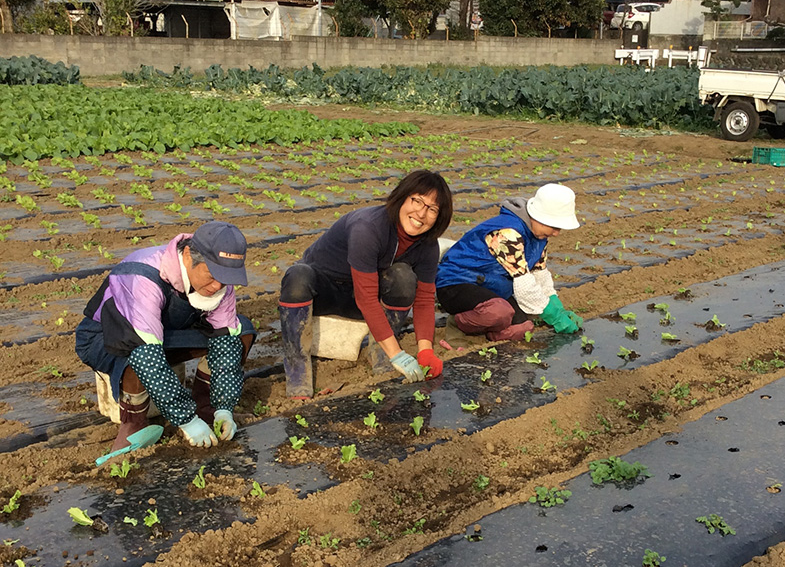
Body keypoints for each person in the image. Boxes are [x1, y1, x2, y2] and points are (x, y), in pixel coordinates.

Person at [75, 221, 255, 451]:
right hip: (105, 338)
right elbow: (145, 353)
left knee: (240, 332)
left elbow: (224, 339)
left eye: (226, 277)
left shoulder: (220, 283)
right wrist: (186, 420)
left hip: (164, 332)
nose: (218, 285)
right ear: (189, 256)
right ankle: (133, 425)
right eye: (211, 274)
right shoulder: (142, 276)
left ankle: (208, 409)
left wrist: (224, 407)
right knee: (135, 350)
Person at [279, 169, 453, 397]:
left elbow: (424, 299)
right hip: (324, 291)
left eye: (432, 209)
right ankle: (297, 373)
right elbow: (366, 297)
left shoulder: (427, 246)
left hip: (359, 298)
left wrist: (426, 351)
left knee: (402, 277)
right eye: (417, 201)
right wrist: (397, 354)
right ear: (401, 198)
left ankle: (379, 355)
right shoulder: (368, 227)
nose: (421, 213)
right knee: (297, 276)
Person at [437, 182, 582, 341]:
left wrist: (557, 307)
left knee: (523, 327)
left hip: (491, 284)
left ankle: (484, 333)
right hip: (456, 282)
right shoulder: (508, 234)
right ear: (539, 217)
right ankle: (458, 323)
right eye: (554, 227)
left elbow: (539, 273)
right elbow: (524, 284)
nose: (556, 233)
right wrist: (553, 316)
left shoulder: (540, 237)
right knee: (499, 312)